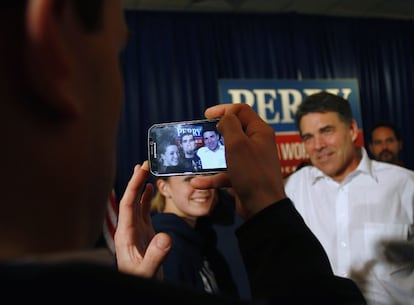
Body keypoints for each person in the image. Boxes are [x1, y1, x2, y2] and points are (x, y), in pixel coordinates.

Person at [1, 1, 367, 304]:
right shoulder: (170, 244)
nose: (202, 182)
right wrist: (267, 203)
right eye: (116, 52)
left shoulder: (202, 238)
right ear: (53, 45)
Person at [284, 91, 414, 305]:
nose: (318, 145)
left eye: (326, 131)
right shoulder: (293, 188)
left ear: (352, 130)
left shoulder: (405, 185)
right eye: (308, 137)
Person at [150, 175, 238, 297]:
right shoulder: (165, 249)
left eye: (207, 176)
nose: (202, 186)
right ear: (164, 188)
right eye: (189, 179)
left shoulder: (204, 242)